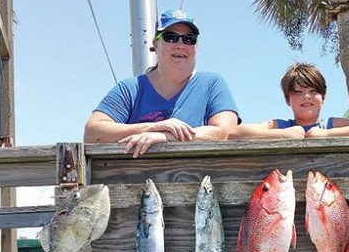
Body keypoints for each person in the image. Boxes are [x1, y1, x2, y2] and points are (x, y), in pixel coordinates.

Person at [83, 9, 239, 157]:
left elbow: (227, 133)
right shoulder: (129, 89)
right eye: (170, 37)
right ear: (155, 44)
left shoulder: (212, 84)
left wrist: (166, 137)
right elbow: (92, 133)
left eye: (188, 39)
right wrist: (153, 127)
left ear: (196, 47)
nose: (180, 45)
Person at [229, 63, 349, 140]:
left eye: (313, 91)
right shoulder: (280, 126)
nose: (306, 96)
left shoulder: (330, 124)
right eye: (298, 92)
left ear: (323, 97)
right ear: (287, 99)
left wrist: (327, 134)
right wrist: (283, 134)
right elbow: (234, 133)